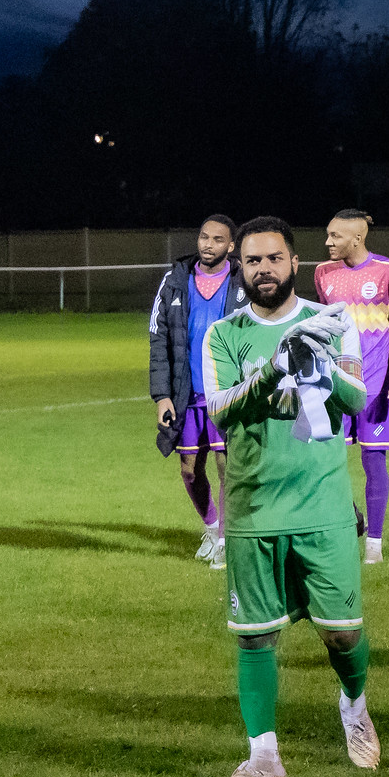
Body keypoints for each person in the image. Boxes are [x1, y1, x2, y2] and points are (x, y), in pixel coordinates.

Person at [197, 217, 379, 777]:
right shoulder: (223, 335)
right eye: (252, 262)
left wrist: (318, 362)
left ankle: (354, 707)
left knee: (342, 633)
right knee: (254, 637)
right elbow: (221, 411)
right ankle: (263, 757)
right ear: (240, 269)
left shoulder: (331, 321)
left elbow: (357, 400)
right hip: (252, 509)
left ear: (293, 263)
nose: (264, 270)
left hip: (323, 504)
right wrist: (274, 366)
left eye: (274, 259)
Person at [314, 210, 389, 565]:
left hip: (377, 387)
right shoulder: (323, 274)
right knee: (323, 463)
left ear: (357, 238)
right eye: (327, 235)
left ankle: (374, 544)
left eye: (335, 236)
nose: (328, 242)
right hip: (334, 388)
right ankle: (351, 516)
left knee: (374, 462)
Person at [149, 215, 246, 568]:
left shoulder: (242, 280)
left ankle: (225, 541)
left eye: (217, 239)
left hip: (226, 391)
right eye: (204, 237)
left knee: (227, 466)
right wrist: (162, 395)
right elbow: (158, 338)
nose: (207, 244)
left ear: (230, 246)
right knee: (189, 469)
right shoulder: (175, 280)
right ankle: (211, 527)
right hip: (185, 392)